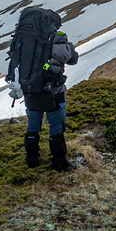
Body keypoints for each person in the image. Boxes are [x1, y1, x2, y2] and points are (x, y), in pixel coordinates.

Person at [25, 24, 79, 172]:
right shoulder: (55, 41)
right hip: (53, 92)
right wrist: (67, 43)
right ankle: (59, 162)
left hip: (30, 91)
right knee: (56, 126)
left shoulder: (26, 42)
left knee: (33, 125)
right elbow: (73, 59)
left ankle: (32, 160)